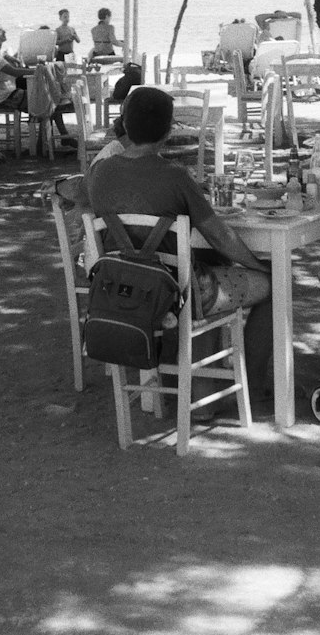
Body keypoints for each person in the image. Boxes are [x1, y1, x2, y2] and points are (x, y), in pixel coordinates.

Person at [88, 86, 273, 404]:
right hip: (175, 296)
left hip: (122, 290)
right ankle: (251, 383)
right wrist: (259, 266)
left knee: (208, 267)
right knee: (275, 282)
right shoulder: (174, 177)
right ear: (168, 131)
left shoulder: (99, 173)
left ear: (126, 126)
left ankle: (192, 385)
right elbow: (220, 236)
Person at [0, 20, 70, 140]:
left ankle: (52, 141)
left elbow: (12, 69)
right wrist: (39, 70)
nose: (4, 32)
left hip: (3, 94)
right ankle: (56, 140)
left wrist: (11, 58)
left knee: (45, 97)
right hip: (1, 97)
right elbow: (14, 72)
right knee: (46, 100)